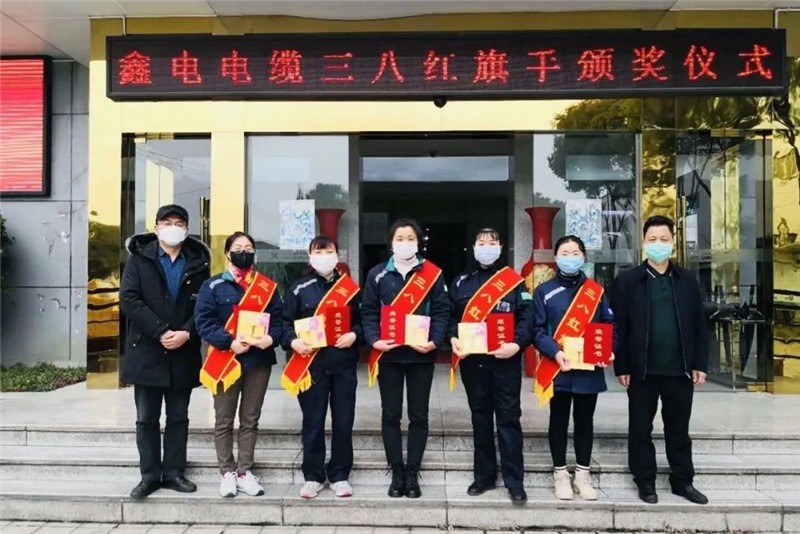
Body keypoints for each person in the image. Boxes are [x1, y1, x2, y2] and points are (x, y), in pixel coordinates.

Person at [612, 215, 709, 505]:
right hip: (641, 371)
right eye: (652, 239)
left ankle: (683, 481)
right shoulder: (628, 281)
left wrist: (700, 363)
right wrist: (622, 366)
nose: (658, 244)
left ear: (673, 242)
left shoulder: (687, 281)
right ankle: (645, 481)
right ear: (643, 243)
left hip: (680, 370)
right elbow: (619, 328)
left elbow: (699, 325)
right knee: (640, 428)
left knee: (678, 429)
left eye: (664, 239)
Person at [120, 204, 211, 500]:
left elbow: (204, 305)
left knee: (178, 417)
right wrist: (160, 331)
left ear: (187, 229)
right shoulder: (139, 260)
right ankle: (149, 476)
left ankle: (174, 473)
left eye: (179, 223)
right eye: (167, 222)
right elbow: (129, 300)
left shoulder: (198, 263)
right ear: (156, 227)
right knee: (146, 418)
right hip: (147, 350)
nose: (173, 227)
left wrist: (187, 332)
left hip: (183, 351)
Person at [361, 218, 451, 499]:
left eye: (410, 238)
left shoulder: (433, 274)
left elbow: (442, 311)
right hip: (388, 354)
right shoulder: (377, 274)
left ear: (418, 242)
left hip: (420, 356)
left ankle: (413, 471)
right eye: (399, 238)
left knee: (418, 415)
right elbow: (368, 312)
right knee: (390, 414)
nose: (404, 243)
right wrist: (374, 340)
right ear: (391, 242)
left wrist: (434, 341)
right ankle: (396, 471)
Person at [194, 231, 284, 498]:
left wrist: (271, 338)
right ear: (227, 253)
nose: (243, 252)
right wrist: (229, 342)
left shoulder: (267, 287)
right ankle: (227, 473)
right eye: (238, 248)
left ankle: (245, 472)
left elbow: (279, 320)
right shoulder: (212, 286)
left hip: (258, 361)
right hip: (225, 359)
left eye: (248, 248)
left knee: (250, 418)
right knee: (224, 419)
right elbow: (204, 322)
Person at [448, 228, 533, 504]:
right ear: (473, 247)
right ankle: (483, 477)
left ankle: (514, 481)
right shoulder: (460, 282)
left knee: (509, 419)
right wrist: (452, 338)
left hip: (505, 361)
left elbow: (527, 318)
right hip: (473, 362)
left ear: (500, 247)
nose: (487, 247)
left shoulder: (514, 281)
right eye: (481, 242)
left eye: (492, 242)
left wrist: (517, 345)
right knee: (480, 417)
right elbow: (449, 317)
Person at [532, 235, 615, 501]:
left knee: (584, 422)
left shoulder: (596, 292)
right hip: (558, 368)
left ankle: (582, 475)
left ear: (583, 257)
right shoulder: (544, 291)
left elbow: (609, 327)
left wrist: (607, 350)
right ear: (556, 258)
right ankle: (560, 475)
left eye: (575, 253)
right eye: (565, 253)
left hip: (588, 370)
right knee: (558, 421)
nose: (570, 258)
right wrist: (554, 352)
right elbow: (537, 331)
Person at [281, 236, 362, 500]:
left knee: (343, 420)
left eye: (328, 251)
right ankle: (313, 476)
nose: (323, 256)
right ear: (310, 256)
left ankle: (339, 475)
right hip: (311, 366)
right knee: (313, 422)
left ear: (337, 255)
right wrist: (293, 342)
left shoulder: (350, 288)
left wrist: (354, 335)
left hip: (343, 364)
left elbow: (364, 320)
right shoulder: (299, 288)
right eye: (318, 251)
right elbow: (284, 323)